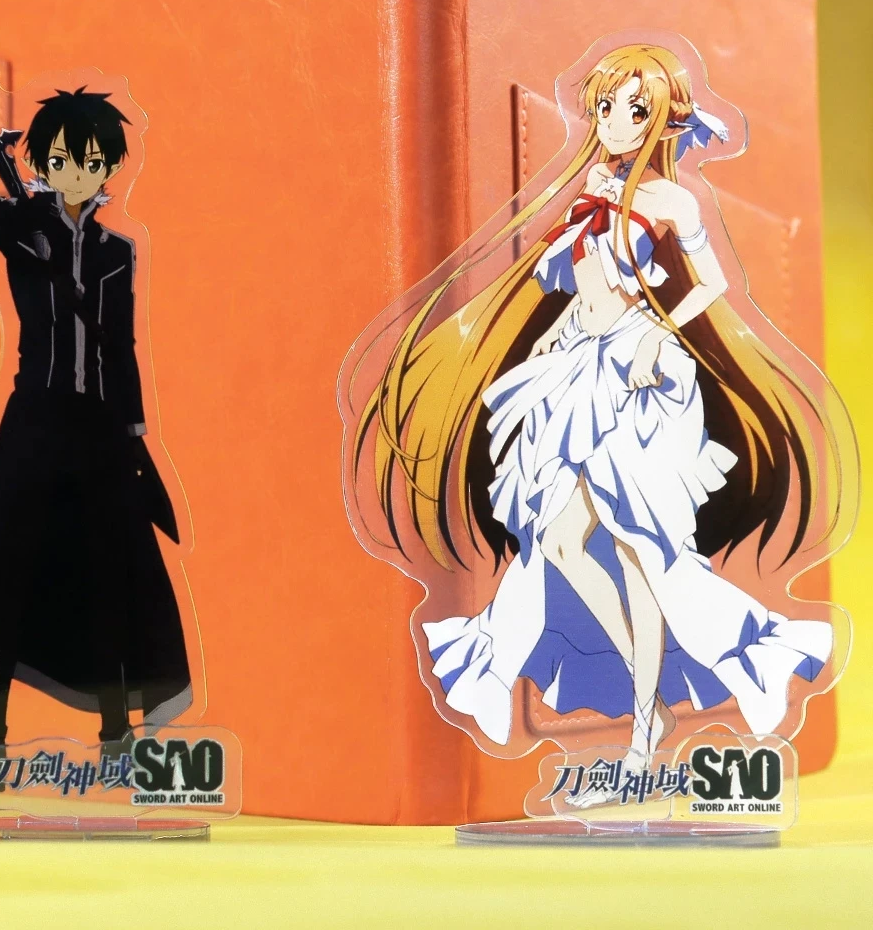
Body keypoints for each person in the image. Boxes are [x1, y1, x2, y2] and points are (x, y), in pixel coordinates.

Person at [352, 44, 838, 806]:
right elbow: (582, 285)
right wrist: (555, 337)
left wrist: (657, 332)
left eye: (634, 110)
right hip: (583, 363)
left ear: (665, 121)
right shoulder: (594, 191)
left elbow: (712, 282)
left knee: (642, 551)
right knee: (558, 541)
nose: (613, 122)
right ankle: (643, 700)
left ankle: (647, 734)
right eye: (605, 107)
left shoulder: (673, 203)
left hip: (642, 375)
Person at [0, 80, 192, 804]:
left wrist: (135, 437)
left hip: (101, 430)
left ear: (109, 167)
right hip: (33, 424)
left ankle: (117, 740)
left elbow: (120, 350)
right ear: (42, 161)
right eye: (61, 159)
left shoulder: (117, 252)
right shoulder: (19, 225)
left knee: (113, 575)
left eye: (90, 162)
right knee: (4, 577)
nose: (76, 173)